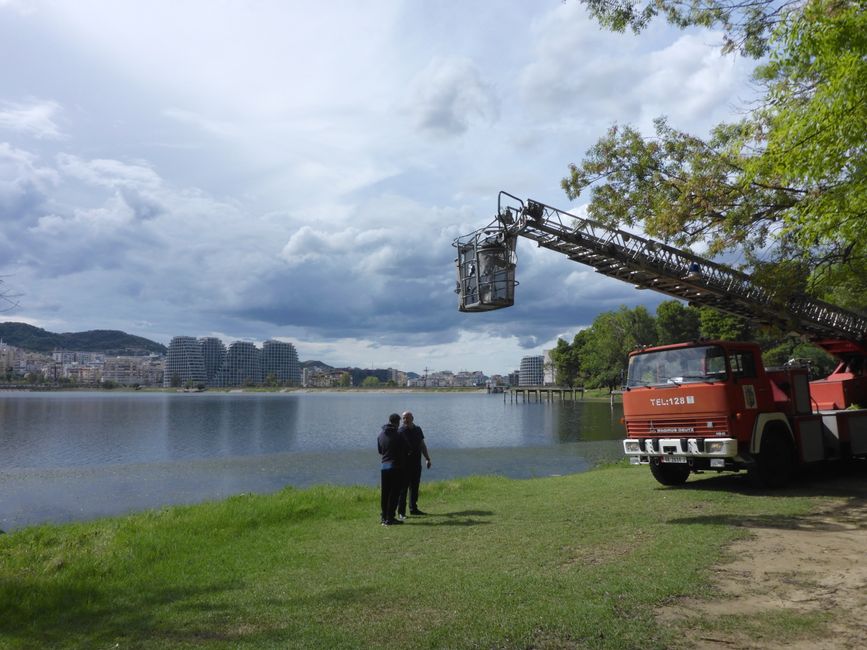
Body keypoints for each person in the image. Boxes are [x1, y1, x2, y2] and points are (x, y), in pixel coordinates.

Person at [397, 411, 431, 518]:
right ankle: (401, 513)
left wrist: (427, 458)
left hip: (416, 464)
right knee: (403, 489)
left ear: (412, 418)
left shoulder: (418, 429)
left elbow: (422, 444)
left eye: (407, 417)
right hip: (404, 465)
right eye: (403, 418)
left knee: (415, 487)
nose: (405, 420)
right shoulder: (400, 431)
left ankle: (413, 509)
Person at [377, 413, 407, 526]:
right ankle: (390, 518)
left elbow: (380, 451)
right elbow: (407, 448)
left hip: (384, 467)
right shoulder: (398, 434)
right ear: (397, 422)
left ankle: (384, 517)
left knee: (385, 493)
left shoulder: (380, 435)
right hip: (396, 467)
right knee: (394, 494)